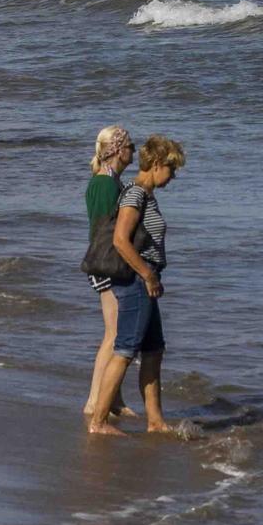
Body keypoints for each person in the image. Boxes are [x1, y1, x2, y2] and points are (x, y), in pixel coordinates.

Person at [86, 134, 185, 436]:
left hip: (147, 281)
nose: (174, 176)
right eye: (172, 169)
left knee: (154, 351)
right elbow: (120, 241)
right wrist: (148, 274)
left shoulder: (143, 193)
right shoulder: (135, 194)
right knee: (125, 350)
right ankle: (99, 421)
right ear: (156, 164)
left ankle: (155, 421)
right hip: (136, 282)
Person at [82, 125, 134, 427]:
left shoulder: (111, 181)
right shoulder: (104, 184)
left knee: (115, 333)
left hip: (107, 264)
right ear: (116, 150)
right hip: (105, 265)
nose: (134, 152)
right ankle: (94, 400)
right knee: (113, 335)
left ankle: (113, 398)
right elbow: (103, 231)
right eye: (130, 145)